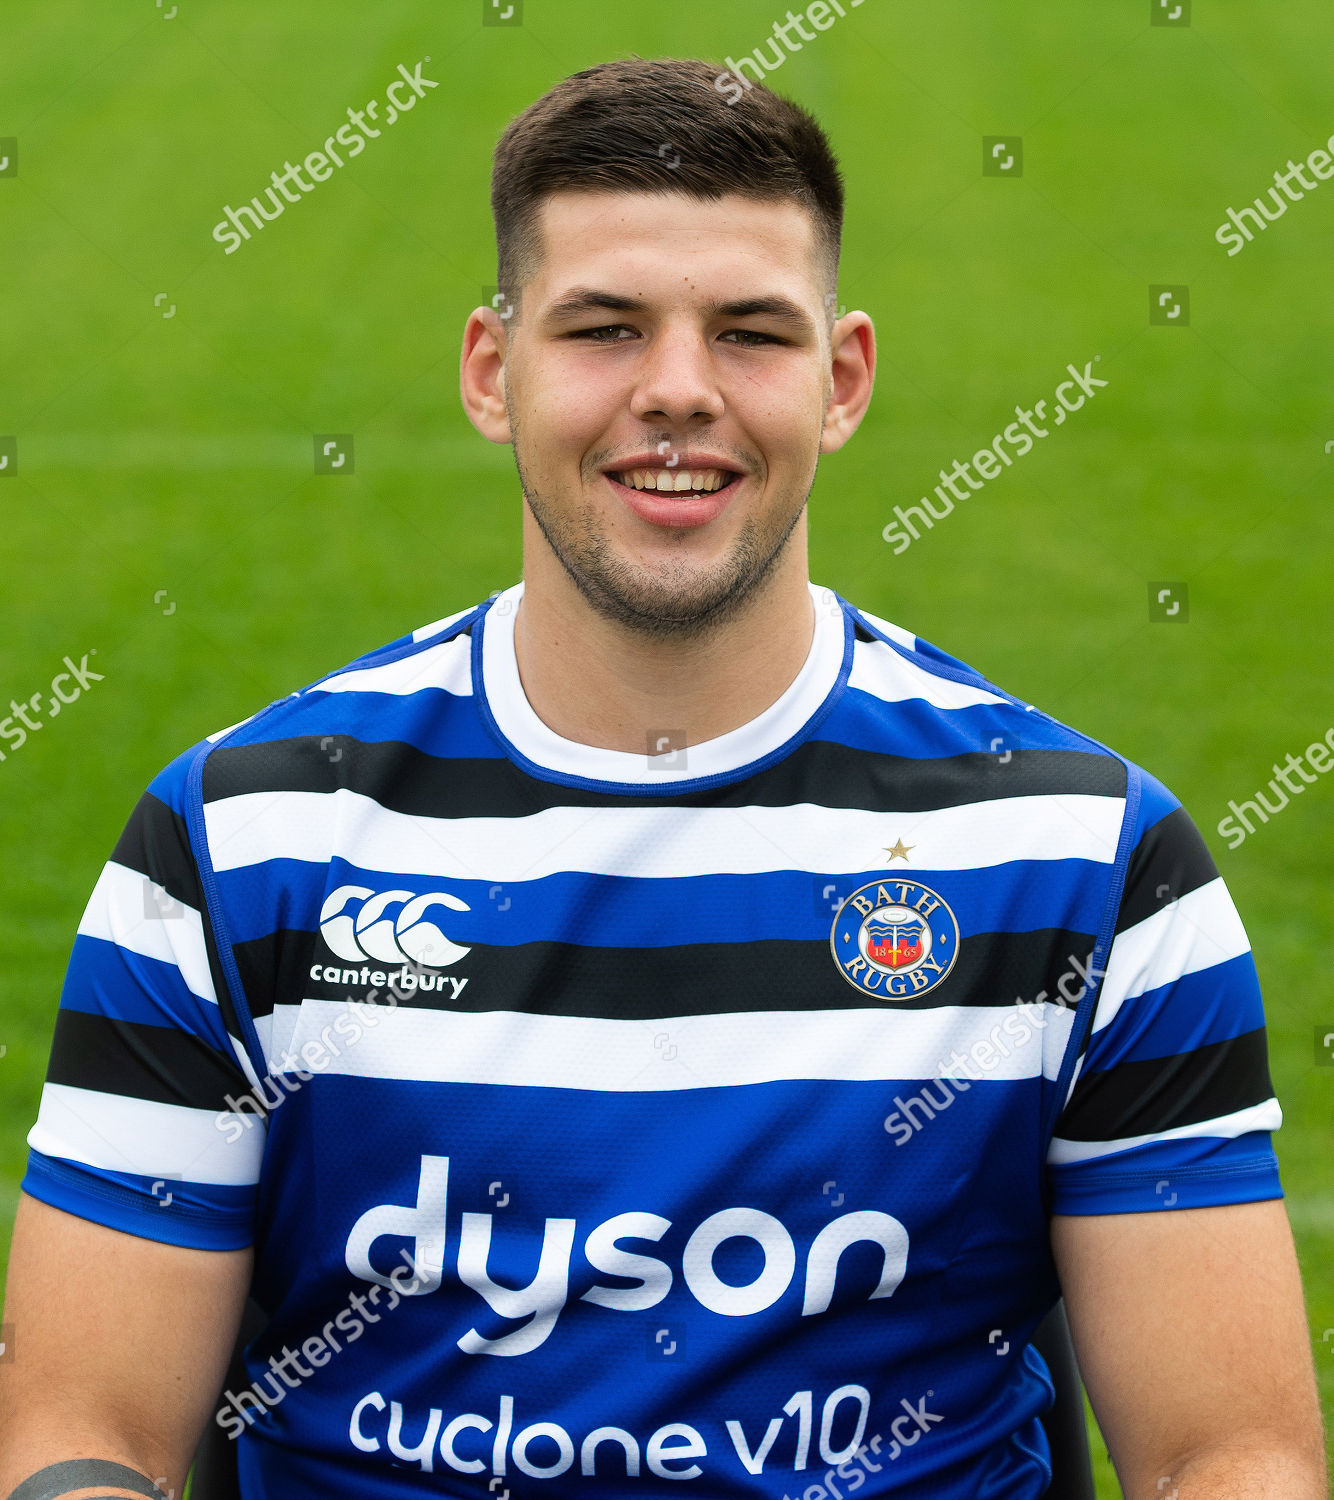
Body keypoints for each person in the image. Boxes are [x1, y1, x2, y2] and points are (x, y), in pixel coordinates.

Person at [0, 55, 1325, 1500]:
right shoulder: (240, 845)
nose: (677, 393)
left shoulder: (1082, 861)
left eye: (750, 332)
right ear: (493, 374)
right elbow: (84, 1436)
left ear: (843, 379)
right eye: (605, 328)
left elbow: (1227, 1454)